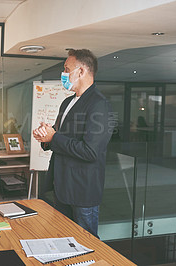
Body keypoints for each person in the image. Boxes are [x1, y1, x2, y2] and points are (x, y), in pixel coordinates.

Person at [33, 49, 114, 237]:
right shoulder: (67, 102)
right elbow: (59, 137)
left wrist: (54, 138)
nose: (63, 74)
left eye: (66, 69)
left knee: (87, 244)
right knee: (63, 240)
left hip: (82, 192)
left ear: (81, 71)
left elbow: (91, 151)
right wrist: (45, 138)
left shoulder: (99, 104)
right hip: (61, 188)